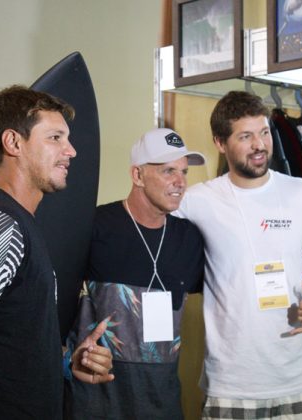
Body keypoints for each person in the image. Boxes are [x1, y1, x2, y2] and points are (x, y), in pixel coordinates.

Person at [0, 85, 113, 420]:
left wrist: (68, 363)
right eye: (55, 137)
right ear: (13, 143)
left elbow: (5, 342)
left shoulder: (19, 225)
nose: (71, 151)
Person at [176, 91, 302, 419]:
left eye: (264, 132)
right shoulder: (196, 201)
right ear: (220, 143)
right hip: (233, 384)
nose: (259, 144)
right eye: (246, 136)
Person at [65, 128, 206, 419]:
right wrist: (67, 359)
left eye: (183, 172)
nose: (180, 182)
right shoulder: (94, 227)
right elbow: (52, 305)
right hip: (96, 399)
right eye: (168, 171)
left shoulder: (189, 238)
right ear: (137, 176)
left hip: (162, 402)